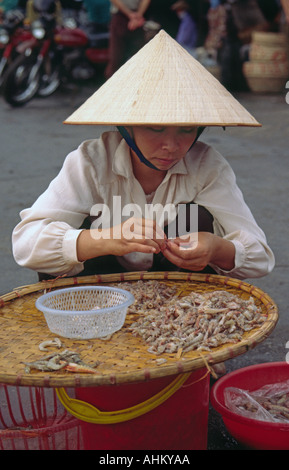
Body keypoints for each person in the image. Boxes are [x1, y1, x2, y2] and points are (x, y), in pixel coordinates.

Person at [12, 30, 275, 282]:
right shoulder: (91, 161)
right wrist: (104, 240)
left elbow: (260, 257)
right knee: (67, 242)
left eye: (187, 130)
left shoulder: (207, 165)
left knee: (197, 218)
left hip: (178, 293)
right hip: (99, 294)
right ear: (127, 127)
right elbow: (26, 244)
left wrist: (218, 249)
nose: (171, 145)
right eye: (155, 128)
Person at [105, 0, 151, 78]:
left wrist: (138, 15)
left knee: (139, 59)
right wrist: (130, 14)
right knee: (116, 59)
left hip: (138, 18)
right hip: (120, 15)